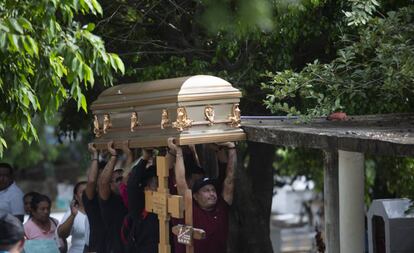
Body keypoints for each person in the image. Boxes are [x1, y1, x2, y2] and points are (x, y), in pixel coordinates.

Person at [168, 138, 236, 253]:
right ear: (195, 196)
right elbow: (181, 182)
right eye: (206, 190)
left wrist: (232, 148)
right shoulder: (188, 208)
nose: (212, 194)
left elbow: (230, 178)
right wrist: (178, 152)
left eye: (213, 190)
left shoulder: (221, 207)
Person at [122, 149, 159, 253]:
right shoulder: (139, 207)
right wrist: (144, 159)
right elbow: (132, 185)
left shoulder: (170, 203)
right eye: (156, 184)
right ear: (146, 188)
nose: (160, 188)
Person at [97, 141, 128, 253]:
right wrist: (114, 156)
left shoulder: (131, 197)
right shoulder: (109, 200)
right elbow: (102, 183)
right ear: (110, 185)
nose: (122, 182)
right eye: (118, 180)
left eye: (123, 179)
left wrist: (129, 155)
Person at [82, 143, 108, 253]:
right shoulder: (91, 198)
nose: (104, 180)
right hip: (97, 248)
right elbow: (91, 181)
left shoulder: (115, 197)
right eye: (101, 178)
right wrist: (95, 156)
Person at [57, 181, 87, 253]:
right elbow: (61, 234)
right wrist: (73, 215)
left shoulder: (101, 210)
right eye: (82, 192)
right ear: (76, 196)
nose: (86, 194)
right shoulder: (72, 212)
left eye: (89, 191)